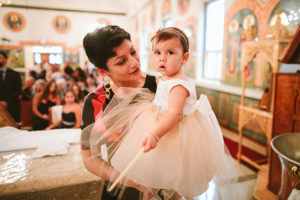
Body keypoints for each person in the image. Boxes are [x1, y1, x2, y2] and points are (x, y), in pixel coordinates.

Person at [90, 27, 237, 199]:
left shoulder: (179, 86)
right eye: (157, 52)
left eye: (170, 52)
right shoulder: (164, 79)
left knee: (167, 174)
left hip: (173, 133)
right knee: (151, 174)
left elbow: (174, 113)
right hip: (158, 121)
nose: (162, 58)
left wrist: (155, 133)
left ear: (185, 58)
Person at [81, 25, 159, 200]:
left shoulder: (161, 87)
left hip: (162, 182)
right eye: (121, 61)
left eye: (133, 52)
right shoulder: (96, 101)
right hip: (121, 184)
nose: (134, 62)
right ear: (102, 71)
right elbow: (89, 159)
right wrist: (134, 182)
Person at [0, 51, 22, 123]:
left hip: (12, 106)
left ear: (6, 60)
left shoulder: (15, 74)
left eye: (0, 58)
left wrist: (7, 102)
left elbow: (18, 90)